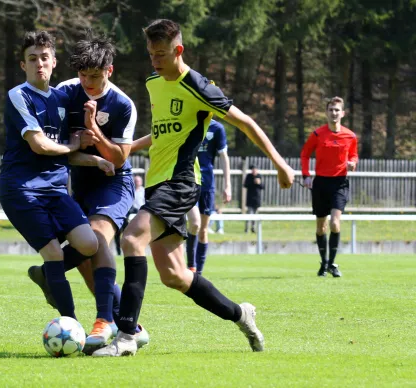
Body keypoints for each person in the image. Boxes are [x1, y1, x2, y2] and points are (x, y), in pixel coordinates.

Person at [93, 19, 295, 357]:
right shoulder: (154, 82)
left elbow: (245, 122)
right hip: (159, 183)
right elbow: (163, 132)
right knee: (173, 275)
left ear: (178, 50)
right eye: (150, 54)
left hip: (182, 182)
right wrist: (129, 150)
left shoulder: (198, 86)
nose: (155, 61)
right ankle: (240, 314)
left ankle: (126, 336)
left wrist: (280, 164)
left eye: (161, 54)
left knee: (130, 238)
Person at [27, 35, 148, 353]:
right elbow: (59, 152)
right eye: (84, 75)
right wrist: (88, 155)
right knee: (85, 254)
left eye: (95, 75)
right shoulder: (64, 94)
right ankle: (132, 326)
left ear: (110, 70)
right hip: (78, 183)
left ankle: (103, 320)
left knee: (96, 237)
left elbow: (119, 159)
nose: (89, 82)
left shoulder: (123, 105)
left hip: (114, 184)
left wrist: (94, 131)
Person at [0, 31, 114, 320]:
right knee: (54, 253)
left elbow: (66, 150)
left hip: (55, 190)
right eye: (32, 58)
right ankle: (71, 326)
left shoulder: (63, 98)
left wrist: (95, 160)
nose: (39, 63)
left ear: (53, 62)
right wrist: (73, 144)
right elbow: (39, 144)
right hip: (22, 190)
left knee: (89, 243)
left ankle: (46, 276)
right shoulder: (18, 95)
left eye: (44, 58)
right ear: (23, 65)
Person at [300, 96, 358, 278]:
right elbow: (304, 154)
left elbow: (354, 155)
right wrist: (306, 175)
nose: (334, 113)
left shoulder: (350, 136)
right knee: (320, 227)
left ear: (343, 113)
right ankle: (323, 263)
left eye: (337, 110)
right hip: (320, 183)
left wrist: (353, 163)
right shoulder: (317, 134)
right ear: (326, 113)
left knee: (334, 223)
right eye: (331, 110)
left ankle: (332, 263)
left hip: (339, 182)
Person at [186, 119, 231, 274]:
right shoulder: (187, 122)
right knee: (195, 223)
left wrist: (227, 185)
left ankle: (199, 274)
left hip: (207, 185)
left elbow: (224, 157)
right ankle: (190, 267)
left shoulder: (217, 128)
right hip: (188, 182)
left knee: (203, 230)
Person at [116, 175, 145, 255]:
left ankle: (138, 250)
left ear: (141, 182)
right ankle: (119, 252)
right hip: (128, 214)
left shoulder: (144, 191)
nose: (137, 182)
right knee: (122, 233)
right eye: (135, 181)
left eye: (138, 181)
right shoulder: (130, 191)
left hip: (140, 213)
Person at [243, 165, 264, 233]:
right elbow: (245, 185)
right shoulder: (249, 176)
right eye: (253, 169)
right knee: (249, 214)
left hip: (257, 199)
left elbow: (262, 187)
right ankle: (246, 228)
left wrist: (259, 183)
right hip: (250, 198)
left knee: (255, 214)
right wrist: (253, 182)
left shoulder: (259, 176)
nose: (254, 171)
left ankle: (253, 228)